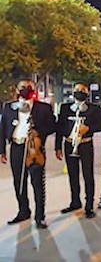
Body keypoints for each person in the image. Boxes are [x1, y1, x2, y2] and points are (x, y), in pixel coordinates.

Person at [0, 79, 55, 228]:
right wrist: (2, 150)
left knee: (37, 184)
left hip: (34, 148)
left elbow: (52, 126)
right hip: (17, 148)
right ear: (17, 90)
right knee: (19, 183)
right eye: (22, 87)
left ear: (34, 90)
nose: (25, 89)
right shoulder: (9, 107)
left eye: (29, 87)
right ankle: (23, 211)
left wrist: (39, 131)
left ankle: (39, 216)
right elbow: (2, 128)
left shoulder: (43, 108)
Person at [55, 83, 101, 219]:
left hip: (85, 145)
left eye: (82, 90)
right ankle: (75, 201)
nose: (79, 92)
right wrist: (57, 147)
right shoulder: (65, 108)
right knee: (72, 175)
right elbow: (59, 127)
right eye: (76, 90)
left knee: (88, 175)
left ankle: (89, 206)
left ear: (87, 93)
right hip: (69, 144)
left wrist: (88, 128)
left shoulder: (93, 108)